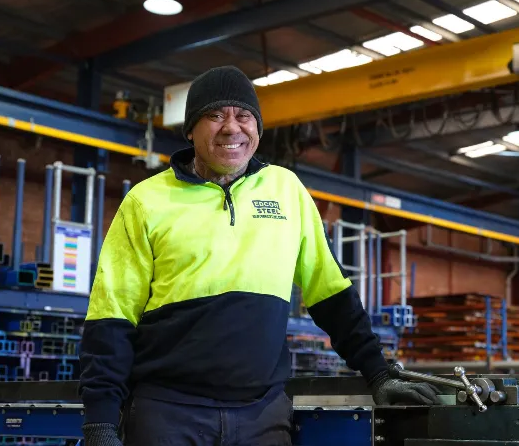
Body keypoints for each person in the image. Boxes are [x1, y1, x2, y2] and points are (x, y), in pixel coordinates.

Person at [78, 65, 440, 446]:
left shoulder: (287, 190)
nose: (231, 128)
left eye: (243, 116)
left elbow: (331, 293)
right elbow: (111, 316)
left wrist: (378, 373)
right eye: (215, 115)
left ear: (258, 128)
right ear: (190, 130)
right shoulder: (146, 201)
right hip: (168, 414)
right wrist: (100, 422)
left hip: (261, 416)